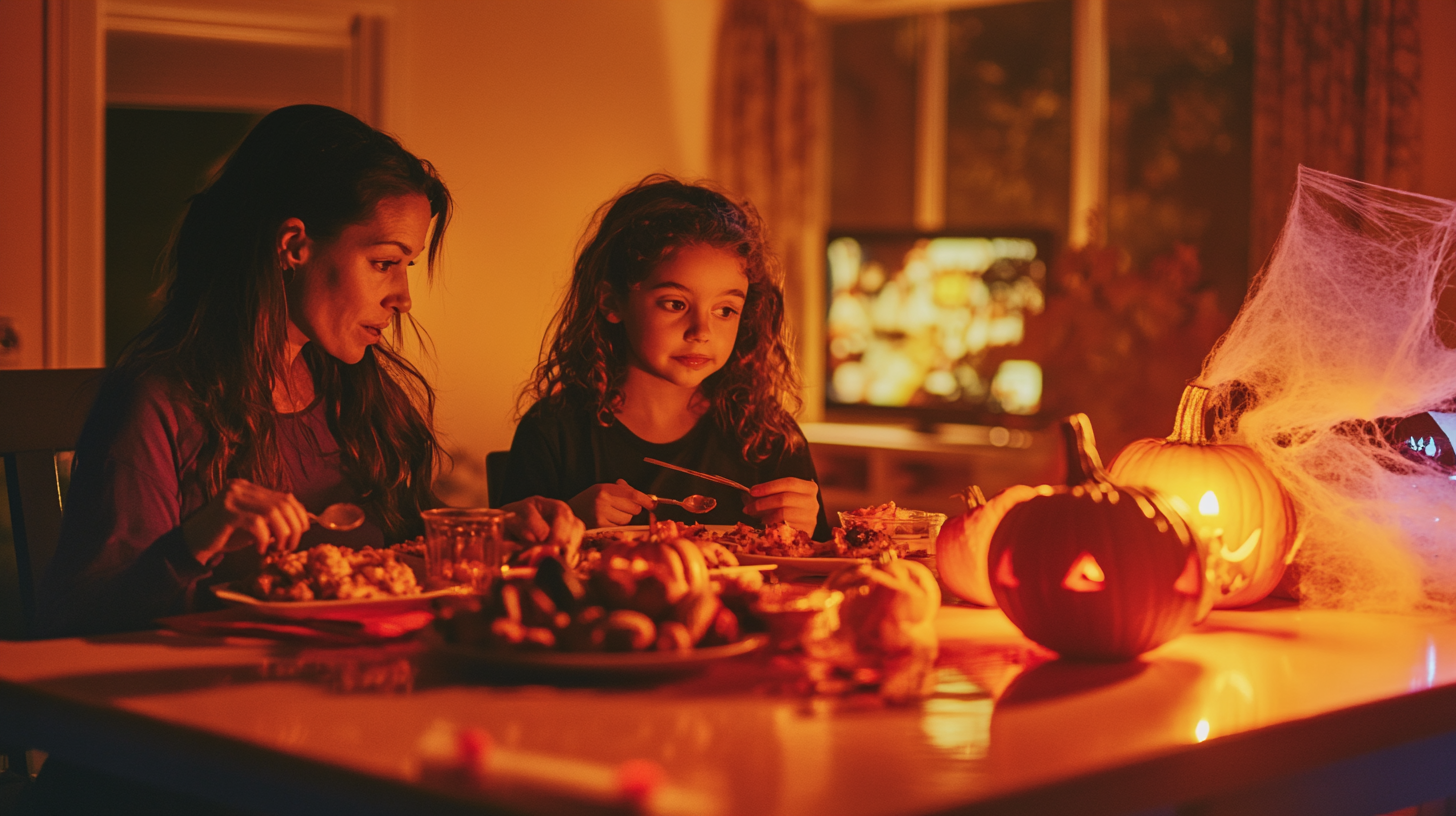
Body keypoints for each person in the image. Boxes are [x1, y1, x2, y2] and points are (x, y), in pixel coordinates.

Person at [41, 105, 581, 637]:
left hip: (359, 688)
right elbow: (80, 611)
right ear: (293, 245)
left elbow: (405, 545)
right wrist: (197, 539)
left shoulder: (359, 395)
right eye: (384, 263)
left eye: (406, 266)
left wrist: (495, 529)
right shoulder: (159, 402)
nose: (403, 297)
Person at [502, 175, 830, 539]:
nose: (701, 331)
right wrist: (566, 521)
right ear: (611, 302)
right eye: (675, 304)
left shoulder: (768, 436)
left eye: (725, 310)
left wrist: (805, 528)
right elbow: (509, 571)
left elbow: (818, 573)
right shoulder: (554, 432)